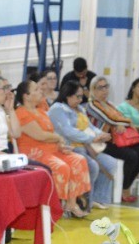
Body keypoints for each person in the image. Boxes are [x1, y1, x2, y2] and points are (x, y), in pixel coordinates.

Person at [15, 79, 91, 218]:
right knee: (62, 167)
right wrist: (59, 139)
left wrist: (61, 146)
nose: (41, 91)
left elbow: (51, 133)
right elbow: (40, 136)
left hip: (51, 149)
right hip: (34, 153)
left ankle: (71, 203)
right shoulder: (21, 113)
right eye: (36, 89)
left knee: (79, 160)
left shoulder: (42, 111)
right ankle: (54, 206)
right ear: (26, 96)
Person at [49, 80, 119, 209]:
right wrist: (93, 138)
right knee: (92, 166)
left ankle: (97, 197)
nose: (81, 100)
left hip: (85, 147)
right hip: (69, 148)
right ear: (67, 95)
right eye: (78, 96)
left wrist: (101, 134)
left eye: (82, 96)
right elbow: (68, 132)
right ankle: (82, 202)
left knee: (110, 163)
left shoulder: (79, 108)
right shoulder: (57, 109)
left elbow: (90, 126)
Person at [85, 76, 139, 205]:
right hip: (99, 143)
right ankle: (123, 190)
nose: (104, 90)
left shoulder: (109, 104)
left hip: (114, 140)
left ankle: (125, 186)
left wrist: (121, 123)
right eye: (100, 88)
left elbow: (118, 117)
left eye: (106, 87)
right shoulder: (92, 105)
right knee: (131, 155)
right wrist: (126, 122)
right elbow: (110, 118)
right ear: (93, 90)